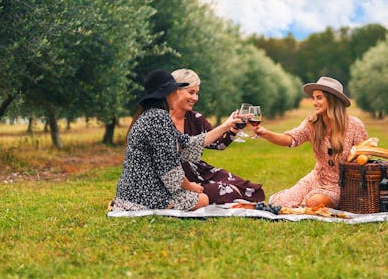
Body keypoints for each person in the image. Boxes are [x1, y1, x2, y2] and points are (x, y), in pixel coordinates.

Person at [110, 69, 241, 211]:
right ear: (167, 94)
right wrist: (191, 187)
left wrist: (226, 126)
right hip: (146, 195)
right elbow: (169, 170)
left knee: (202, 196)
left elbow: (187, 143)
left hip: (132, 192)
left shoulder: (149, 115)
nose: (176, 94)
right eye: (174, 91)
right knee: (203, 199)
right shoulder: (159, 118)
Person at [255, 76, 368, 209]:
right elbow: (290, 139)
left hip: (342, 184)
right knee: (279, 204)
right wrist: (266, 134)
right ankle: (303, 199)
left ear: (332, 100)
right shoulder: (312, 123)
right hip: (316, 178)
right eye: (313, 98)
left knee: (314, 203)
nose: (314, 102)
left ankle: (318, 201)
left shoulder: (354, 125)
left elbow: (365, 155)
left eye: (319, 97)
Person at [170, 68, 265, 204]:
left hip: (200, 171)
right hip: (179, 177)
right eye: (191, 92)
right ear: (176, 90)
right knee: (226, 191)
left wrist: (232, 129)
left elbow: (219, 144)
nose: (195, 98)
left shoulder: (195, 118)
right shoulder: (162, 120)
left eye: (197, 93)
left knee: (248, 187)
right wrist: (225, 125)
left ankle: (230, 195)